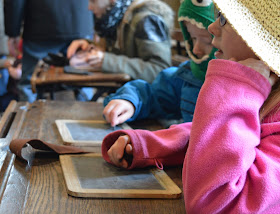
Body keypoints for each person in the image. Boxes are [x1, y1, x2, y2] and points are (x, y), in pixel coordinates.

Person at [102, 0, 280, 213]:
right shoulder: (268, 100)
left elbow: (217, 203)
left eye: (224, 19)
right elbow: (211, 137)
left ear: (262, 39)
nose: (212, 27)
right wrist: (149, 145)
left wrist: (236, 87)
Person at [103, 0, 216, 127]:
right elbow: (152, 94)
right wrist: (130, 101)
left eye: (208, 42)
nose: (195, 49)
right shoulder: (187, 75)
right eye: (193, 38)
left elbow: (156, 67)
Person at [4, 0, 94, 102]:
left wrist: (12, 32)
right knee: (83, 77)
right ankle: (87, 113)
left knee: (29, 83)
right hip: (80, 20)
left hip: (40, 23)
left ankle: (26, 115)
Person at [67, 0, 174, 83]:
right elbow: (121, 53)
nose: (89, 7)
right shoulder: (115, 19)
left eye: (93, 1)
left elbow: (159, 70)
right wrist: (89, 45)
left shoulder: (146, 20)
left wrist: (106, 60)